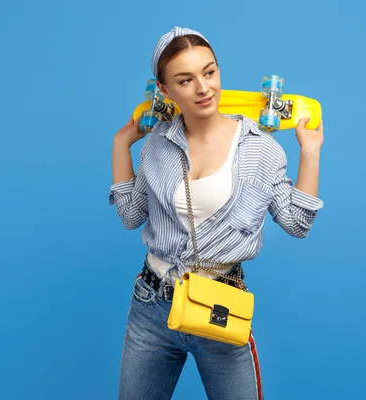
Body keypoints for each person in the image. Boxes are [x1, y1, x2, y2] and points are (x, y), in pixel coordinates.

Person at [109, 26, 324, 400]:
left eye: (209, 72)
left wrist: (310, 151)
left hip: (218, 307)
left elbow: (296, 223)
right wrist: (120, 145)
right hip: (151, 307)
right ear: (165, 90)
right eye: (185, 80)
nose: (203, 88)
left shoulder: (261, 149)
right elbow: (131, 216)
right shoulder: (158, 143)